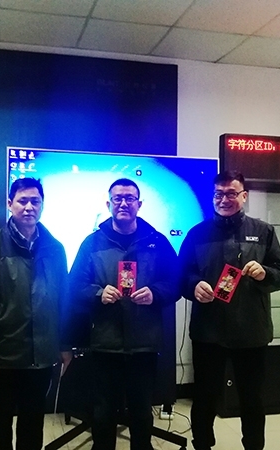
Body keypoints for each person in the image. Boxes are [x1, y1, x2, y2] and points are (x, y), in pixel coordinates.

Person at [178, 170, 280, 450]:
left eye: (231, 193)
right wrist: (193, 285)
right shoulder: (197, 234)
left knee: (252, 399)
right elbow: (181, 276)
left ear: (244, 196)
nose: (224, 199)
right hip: (208, 332)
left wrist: (265, 273)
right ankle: (202, 444)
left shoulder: (263, 231)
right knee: (204, 397)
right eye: (218, 194)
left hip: (251, 331)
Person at [68, 178, 179, 450]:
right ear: (108, 204)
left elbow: (176, 282)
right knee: (103, 413)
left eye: (130, 198)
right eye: (117, 198)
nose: (123, 203)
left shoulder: (157, 242)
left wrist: (155, 293)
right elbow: (74, 286)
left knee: (141, 412)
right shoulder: (92, 243)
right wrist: (98, 293)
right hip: (105, 344)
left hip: (144, 343)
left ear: (139, 204)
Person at [0, 177, 71, 450]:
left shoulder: (55, 248)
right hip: (4, 358)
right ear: (9, 204)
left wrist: (64, 345)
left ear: (42, 205)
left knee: (33, 426)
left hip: (41, 357)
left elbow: (64, 301)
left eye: (35, 201)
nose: (29, 207)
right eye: (23, 201)